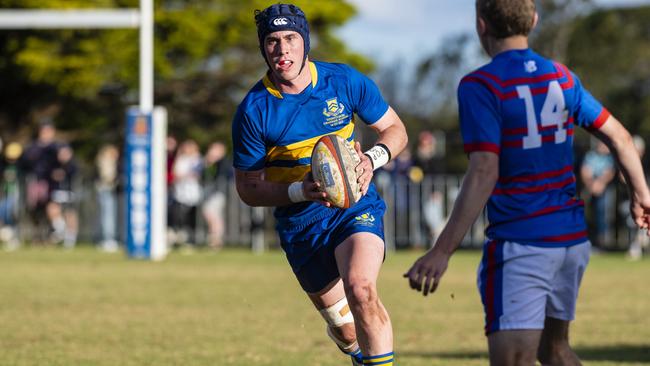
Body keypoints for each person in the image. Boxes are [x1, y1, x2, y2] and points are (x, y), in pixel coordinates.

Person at [404, 1, 650, 365]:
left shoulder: (481, 85)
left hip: (521, 244)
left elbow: (484, 169)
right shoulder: (563, 77)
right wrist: (641, 195)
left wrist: (442, 250)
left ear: (481, 25)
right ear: (533, 21)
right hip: (570, 242)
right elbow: (622, 139)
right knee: (555, 351)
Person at [232, 4, 407, 365]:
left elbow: (395, 129)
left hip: (353, 205)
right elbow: (248, 188)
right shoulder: (253, 110)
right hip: (300, 223)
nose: (283, 51)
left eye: (291, 39)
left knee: (361, 288)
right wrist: (300, 191)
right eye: (273, 41)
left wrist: (371, 160)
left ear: (305, 41)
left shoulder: (343, 80)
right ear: (263, 48)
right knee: (345, 329)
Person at [580, 139, 616, 248]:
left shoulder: (610, 158)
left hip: (604, 189)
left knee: (604, 216)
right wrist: (592, 184)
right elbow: (585, 171)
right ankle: (589, 241)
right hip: (591, 188)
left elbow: (610, 172)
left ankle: (603, 242)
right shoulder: (590, 156)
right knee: (588, 215)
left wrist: (600, 183)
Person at [201, 141, 230, 250]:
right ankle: (215, 239)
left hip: (218, 193)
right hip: (212, 193)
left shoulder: (223, 162)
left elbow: (220, 176)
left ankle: (216, 239)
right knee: (213, 215)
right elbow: (204, 175)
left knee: (212, 214)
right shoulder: (210, 163)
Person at [95, 144, 121, 252]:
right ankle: (108, 239)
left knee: (108, 215)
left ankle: (108, 238)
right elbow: (107, 178)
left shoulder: (107, 162)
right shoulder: (105, 163)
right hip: (106, 190)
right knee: (108, 216)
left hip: (108, 190)